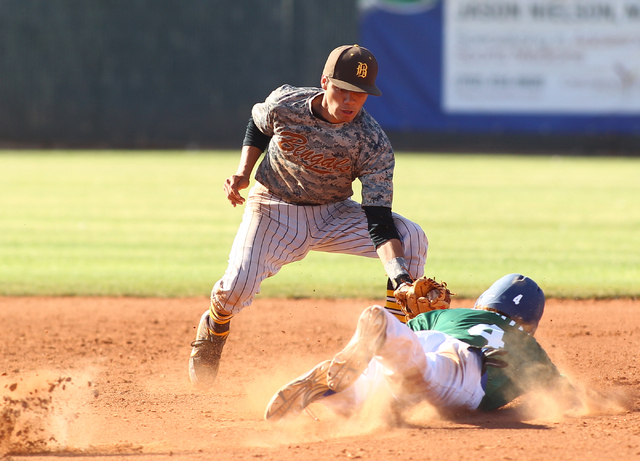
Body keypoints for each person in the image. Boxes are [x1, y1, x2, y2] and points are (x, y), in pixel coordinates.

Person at [189, 45, 428, 388]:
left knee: (413, 237)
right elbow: (258, 126)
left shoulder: (372, 142)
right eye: (342, 90)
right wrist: (243, 171)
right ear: (324, 81)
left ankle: (392, 341)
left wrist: (400, 276)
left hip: (334, 215)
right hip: (273, 207)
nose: (349, 101)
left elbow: (378, 220)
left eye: (359, 95)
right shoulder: (287, 104)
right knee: (235, 289)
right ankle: (215, 325)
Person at [264, 274, 576, 422]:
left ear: (484, 302)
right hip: (465, 367)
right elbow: (565, 395)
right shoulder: (528, 346)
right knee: (422, 374)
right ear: (529, 322)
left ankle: (330, 391)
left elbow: (415, 333)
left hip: (429, 342)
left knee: (385, 389)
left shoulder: (448, 314)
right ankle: (383, 328)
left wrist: (416, 323)